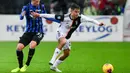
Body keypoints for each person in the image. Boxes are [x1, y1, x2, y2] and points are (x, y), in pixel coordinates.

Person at [31, 3, 104, 72]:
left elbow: (91, 20)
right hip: (60, 33)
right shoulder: (64, 17)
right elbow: (51, 16)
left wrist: (98, 23)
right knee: (63, 41)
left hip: (67, 37)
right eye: (75, 11)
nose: (77, 13)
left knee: (67, 53)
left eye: (78, 12)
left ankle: (54, 67)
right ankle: (52, 60)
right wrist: (39, 15)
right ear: (71, 11)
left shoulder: (80, 18)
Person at [11, 0, 46, 72]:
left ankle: (26, 64)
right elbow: (21, 17)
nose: (38, 3)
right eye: (36, 2)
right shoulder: (26, 7)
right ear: (32, 1)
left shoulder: (41, 6)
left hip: (39, 31)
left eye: (38, 1)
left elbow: (46, 15)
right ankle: (20, 67)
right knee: (19, 48)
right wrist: (23, 13)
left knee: (32, 45)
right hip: (28, 32)